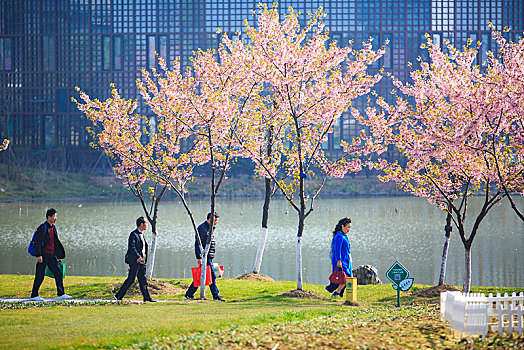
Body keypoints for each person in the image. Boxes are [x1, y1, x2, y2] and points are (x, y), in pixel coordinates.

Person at [30, 208, 72, 301]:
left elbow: (55, 243)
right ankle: (34, 295)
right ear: (49, 217)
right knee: (40, 276)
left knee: (58, 272)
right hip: (43, 255)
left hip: (52, 255)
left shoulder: (53, 227)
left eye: (56, 216)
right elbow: (37, 242)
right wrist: (39, 255)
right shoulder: (43, 227)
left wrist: (58, 257)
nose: (55, 218)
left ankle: (61, 294)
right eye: (54, 216)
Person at [114, 216, 156, 302]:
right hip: (136, 262)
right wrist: (138, 257)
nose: (147, 225)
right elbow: (132, 248)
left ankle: (147, 298)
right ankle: (118, 296)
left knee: (143, 280)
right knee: (131, 279)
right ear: (141, 224)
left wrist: (143, 259)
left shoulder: (141, 235)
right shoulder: (133, 235)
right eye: (146, 223)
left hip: (142, 262)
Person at [184, 213, 225, 301]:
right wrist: (199, 257)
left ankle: (189, 294)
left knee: (203, 275)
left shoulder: (210, 228)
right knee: (211, 276)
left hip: (209, 256)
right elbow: (198, 243)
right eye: (215, 221)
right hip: (204, 256)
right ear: (210, 219)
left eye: (217, 221)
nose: (216, 223)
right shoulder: (202, 228)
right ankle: (216, 296)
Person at [326, 217, 353, 297]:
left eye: (350, 227)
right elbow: (337, 250)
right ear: (342, 226)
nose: (349, 229)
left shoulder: (344, 236)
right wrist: (338, 261)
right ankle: (337, 293)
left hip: (346, 260)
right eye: (347, 227)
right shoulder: (339, 236)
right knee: (345, 277)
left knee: (347, 277)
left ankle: (339, 293)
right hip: (341, 261)